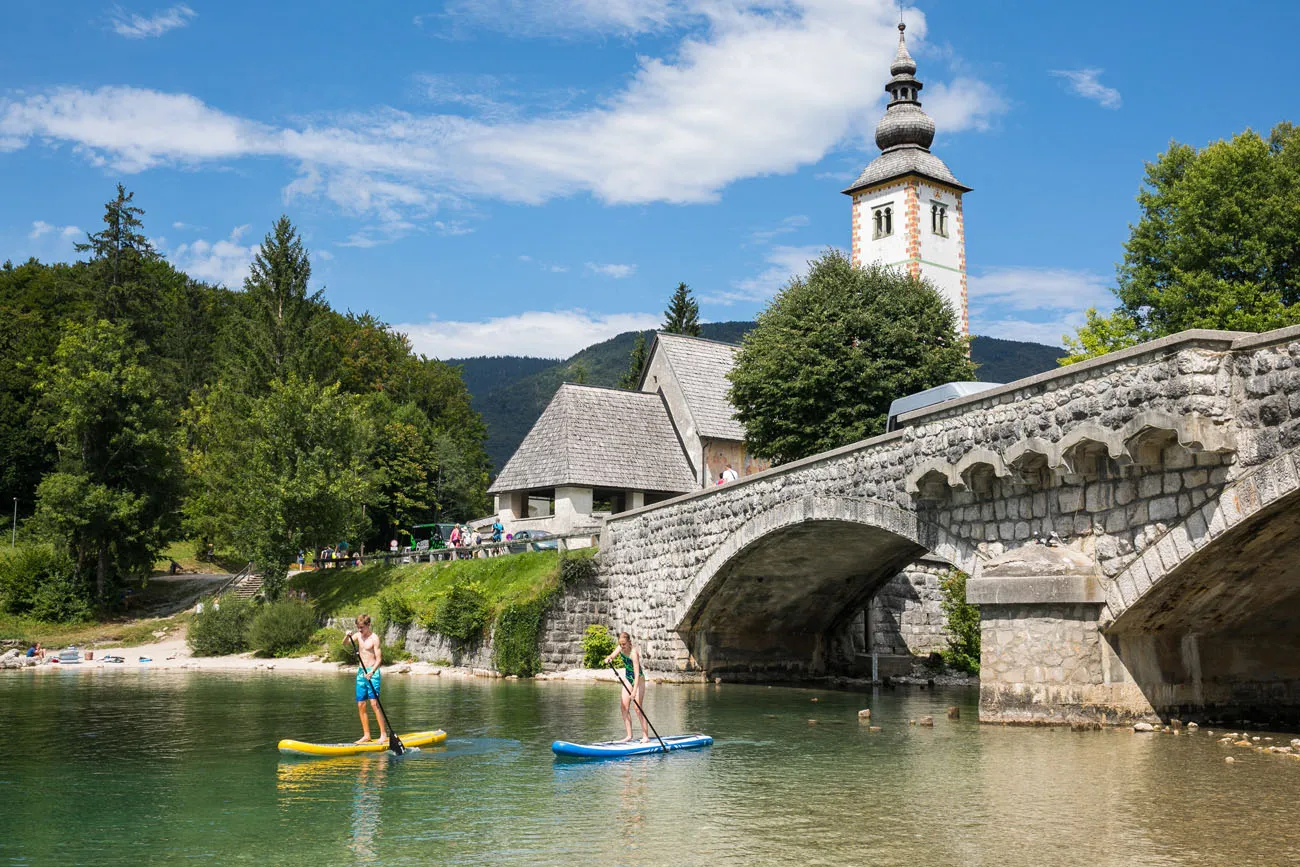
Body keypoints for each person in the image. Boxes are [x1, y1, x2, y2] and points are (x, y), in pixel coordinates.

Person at [344, 614, 387, 745]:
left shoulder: (374, 638)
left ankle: (383, 735)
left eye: (362, 627)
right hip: (361, 673)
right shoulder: (357, 636)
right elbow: (345, 644)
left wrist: (372, 672)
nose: (360, 630)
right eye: (358, 627)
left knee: (374, 704)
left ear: (368, 625)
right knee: (361, 704)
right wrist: (347, 635)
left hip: (372, 672)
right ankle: (366, 735)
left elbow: (379, 659)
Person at [602, 632, 651, 743]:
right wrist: (609, 659)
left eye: (624, 644)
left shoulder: (634, 654)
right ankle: (629, 736)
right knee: (624, 707)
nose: (622, 646)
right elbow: (612, 656)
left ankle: (645, 737)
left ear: (629, 642)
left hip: (638, 680)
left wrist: (634, 692)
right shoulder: (620, 647)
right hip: (628, 678)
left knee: (637, 709)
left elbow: (637, 674)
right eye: (620, 644)